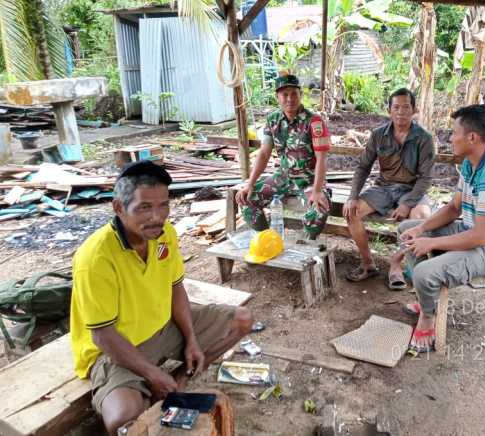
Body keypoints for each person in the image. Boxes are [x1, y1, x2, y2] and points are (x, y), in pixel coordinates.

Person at [70, 161, 253, 435]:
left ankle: (176, 382)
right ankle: (152, 386)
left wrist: (191, 338)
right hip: (118, 349)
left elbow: (176, 288)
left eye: (163, 205)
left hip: (163, 328)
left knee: (242, 319)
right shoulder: (95, 258)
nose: (157, 217)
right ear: (119, 208)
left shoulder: (164, 234)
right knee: (123, 419)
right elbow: (103, 336)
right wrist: (151, 373)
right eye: (144, 207)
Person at [396, 104, 485, 353]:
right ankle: (428, 302)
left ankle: (428, 316)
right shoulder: (471, 162)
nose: (450, 138)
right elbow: (454, 208)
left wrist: (432, 242)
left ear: (472, 137)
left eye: (454, 132)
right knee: (407, 230)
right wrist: (422, 229)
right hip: (474, 231)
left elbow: (480, 237)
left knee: (425, 272)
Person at [343, 88, 434, 285]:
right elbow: (363, 167)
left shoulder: (424, 138)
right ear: (389, 110)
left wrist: (408, 203)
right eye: (396, 107)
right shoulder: (378, 135)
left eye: (406, 107)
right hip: (384, 188)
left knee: (421, 218)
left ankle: (399, 264)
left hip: (412, 189)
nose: (401, 112)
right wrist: (352, 196)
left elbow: (426, 178)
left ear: (414, 110)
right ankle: (368, 264)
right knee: (351, 211)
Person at [236, 73, 331, 240]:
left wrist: (317, 191)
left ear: (300, 94)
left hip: (309, 179)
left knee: (319, 211)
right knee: (246, 199)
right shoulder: (273, 120)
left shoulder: (314, 122)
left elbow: (322, 158)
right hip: (283, 177)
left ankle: (307, 247)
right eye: (284, 94)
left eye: (294, 93)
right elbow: (264, 153)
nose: (289, 99)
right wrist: (250, 183)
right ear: (277, 97)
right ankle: (267, 240)